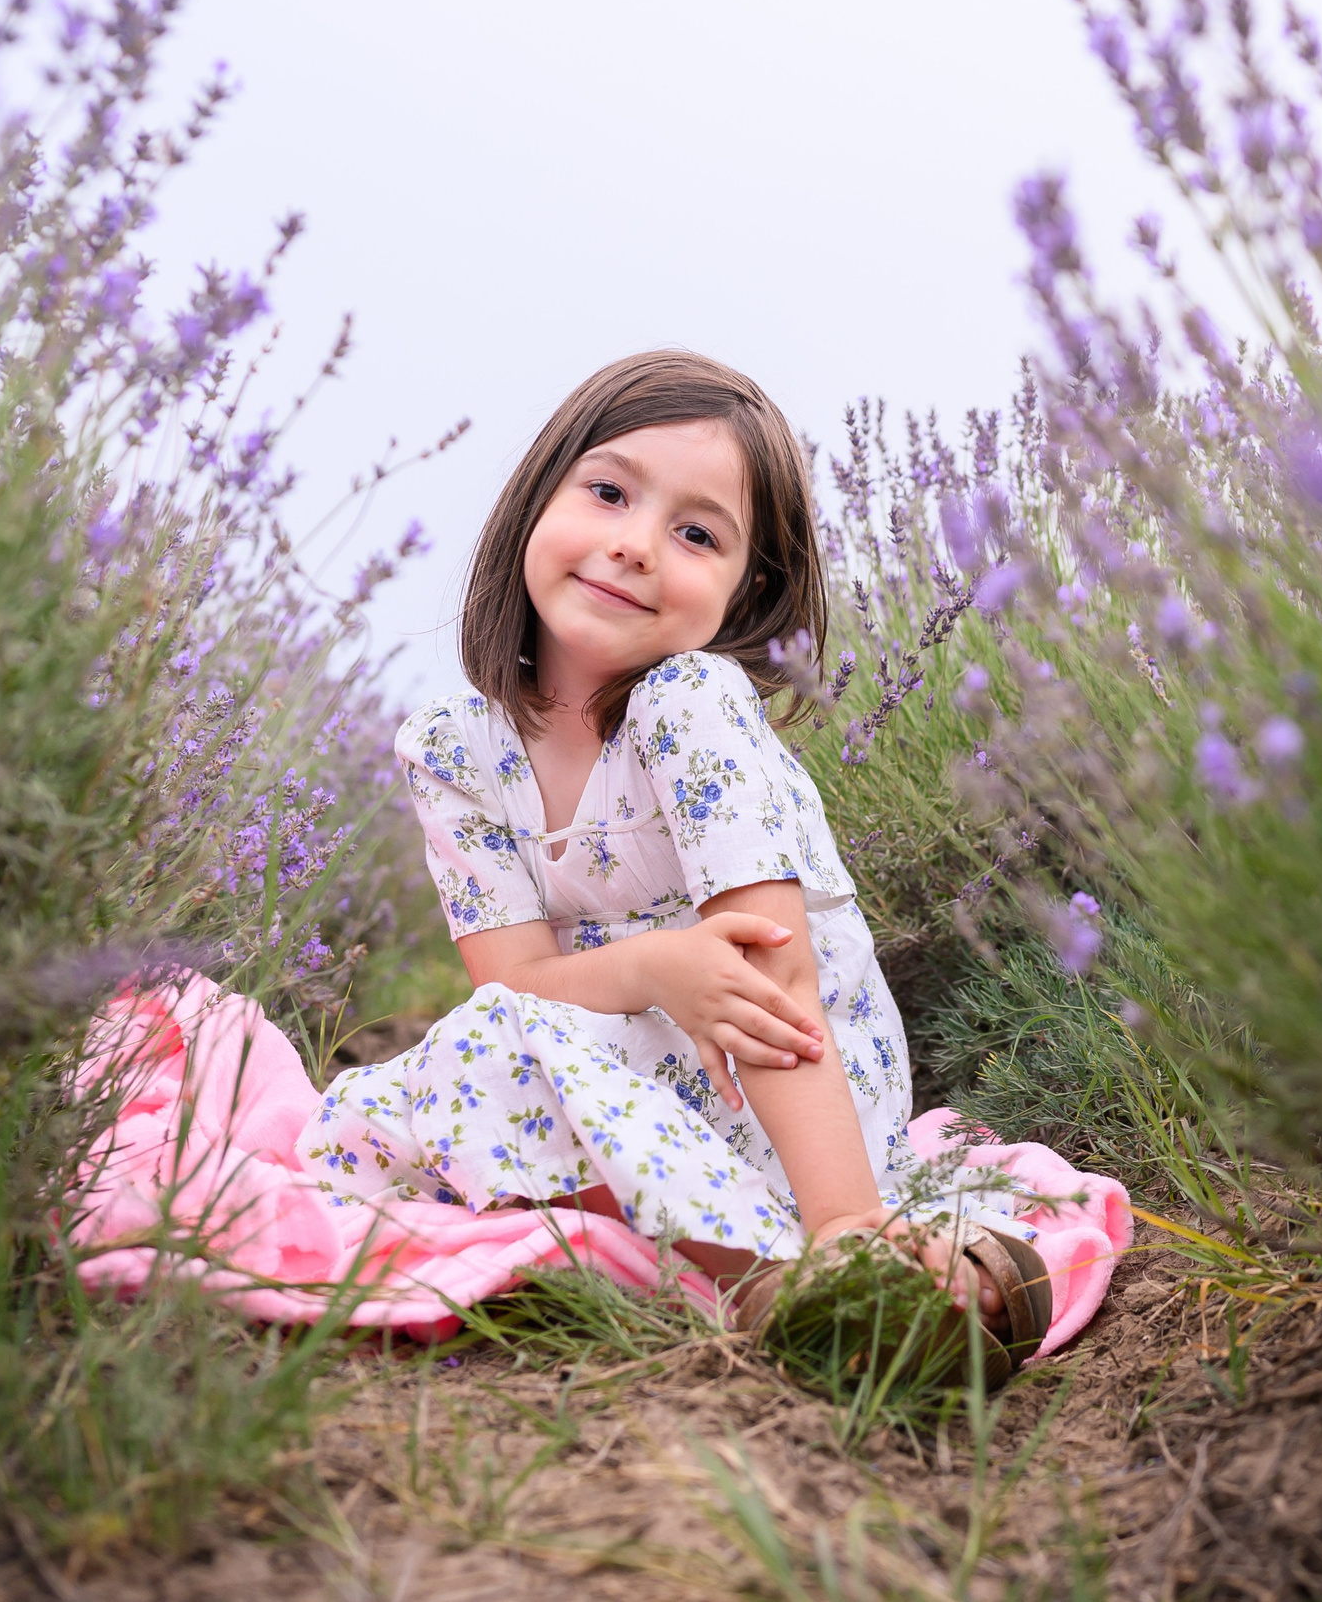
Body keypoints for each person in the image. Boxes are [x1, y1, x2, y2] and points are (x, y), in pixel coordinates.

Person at [300, 349, 1033, 1339]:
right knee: (381, 1108)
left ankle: (803, 1273)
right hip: (622, 1065)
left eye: (696, 532)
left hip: (785, 1092)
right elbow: (510, 981)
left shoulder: (692, 704)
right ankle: (732, 1251)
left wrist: (843, 1215)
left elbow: (773, 993)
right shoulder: (450, 744)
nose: (637, 544)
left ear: (744, 588)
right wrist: (651, 965)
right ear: (536, 495)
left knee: (501, 1055)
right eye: (607, 491)